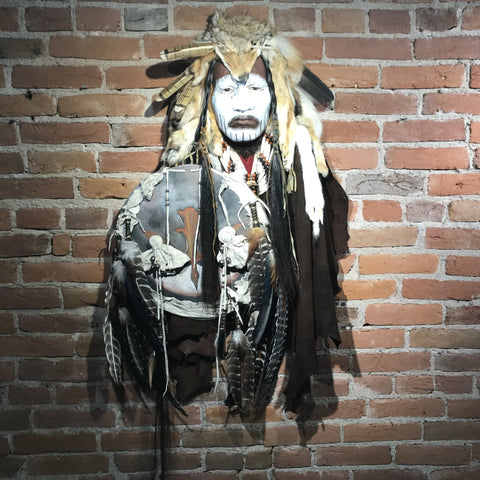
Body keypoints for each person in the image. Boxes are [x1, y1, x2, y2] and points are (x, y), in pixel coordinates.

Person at [104, 11, 349, 419]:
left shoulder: (298, 168)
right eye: (227, 89)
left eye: (254, 87)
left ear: (276, 94)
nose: (242, 103)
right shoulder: (184, 176)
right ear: (206, 96)